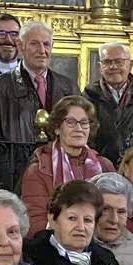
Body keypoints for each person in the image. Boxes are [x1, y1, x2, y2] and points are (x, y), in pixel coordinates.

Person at [0, 20, 79, 186]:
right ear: (20, 46)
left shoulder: (68, 87)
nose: (42, 51)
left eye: (46, 44)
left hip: (61, 179)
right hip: (15, 180)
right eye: (35, 44)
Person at [20, 95, 107, 235]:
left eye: (84, 122)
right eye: (71, 122)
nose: (79, 128)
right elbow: (35, 223)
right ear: (57, 128)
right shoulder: (39, 170)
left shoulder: (104, 166)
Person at [81, 41, 133, 164]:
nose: (113, 67)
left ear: (130, 64)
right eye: (107, 62)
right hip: (99, 165)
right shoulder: (88, 96)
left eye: (119, 62)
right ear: (100, 67)